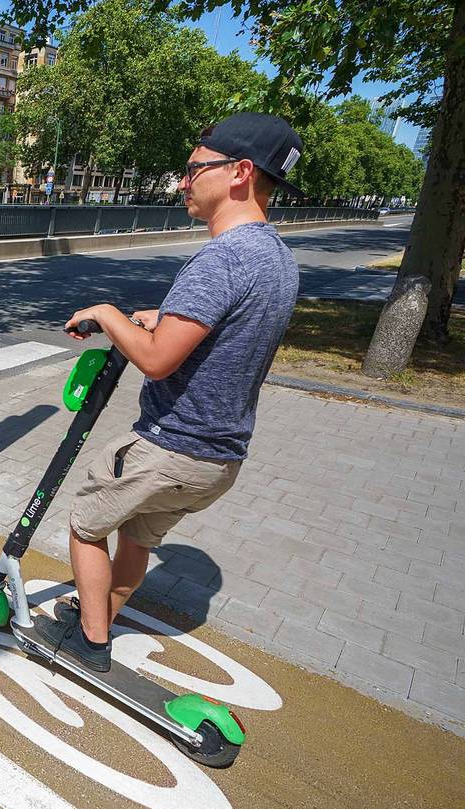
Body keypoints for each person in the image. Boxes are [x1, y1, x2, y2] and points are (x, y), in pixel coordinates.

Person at [24, 112, 304, 672]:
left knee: (84, 526)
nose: (183, 181)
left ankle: (92, 644)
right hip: (218, 459)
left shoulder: (221, 257)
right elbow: (225, 332)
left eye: (194, 168)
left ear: (239, 172)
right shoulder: (276, 258)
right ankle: (98, 614)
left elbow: (155, 362)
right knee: (136, 540)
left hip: (169, 448)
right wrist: (163, 318)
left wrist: (106, 312)